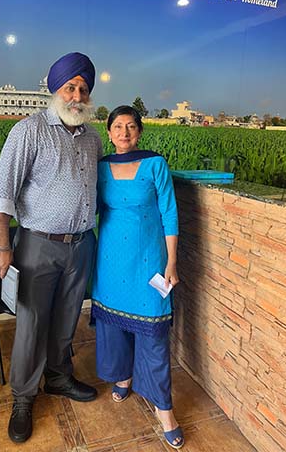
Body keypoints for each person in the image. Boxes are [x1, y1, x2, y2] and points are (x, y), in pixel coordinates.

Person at [0, 52, 104, 443]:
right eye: (70, 87)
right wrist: (1, 245)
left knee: (67, 318)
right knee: (32, 324)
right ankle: (22, 398)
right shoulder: (29, 131)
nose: (77, 96)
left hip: (80, 245)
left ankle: (58, 377)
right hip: (38, 244)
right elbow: (2, 192)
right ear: (56, 90)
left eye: (83, 89)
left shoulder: (93, 138)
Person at [91, 105, 184, 449]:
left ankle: (164, 409)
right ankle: (123, 376)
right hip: (110, 259)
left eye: (131, 126)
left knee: (153, 331)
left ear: (140, 131)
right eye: (118, 126)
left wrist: (172, 261)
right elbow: (90, 207)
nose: (124, 133)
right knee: (114, 325)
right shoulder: (101, 167)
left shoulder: (155, 164)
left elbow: (169, 213)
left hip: (149, 260)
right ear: (109, 132)